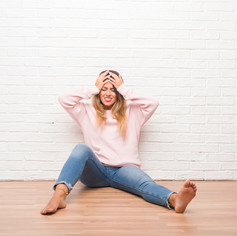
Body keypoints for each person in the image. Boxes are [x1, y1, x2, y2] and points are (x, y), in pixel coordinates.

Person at [40, 70, 197, 215]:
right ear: (98, 91)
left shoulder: (134, 112)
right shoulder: (86, 111)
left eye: (113, 89)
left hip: (124, 169)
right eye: (104, 89)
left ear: (119, 92)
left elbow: (153, 102)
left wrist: (124, 89)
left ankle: (175, 199)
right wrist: (93, 88)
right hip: (96, 172)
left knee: (145, 184)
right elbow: (64, 99)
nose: (108, 93)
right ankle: (59, 195)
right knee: (81, 149)